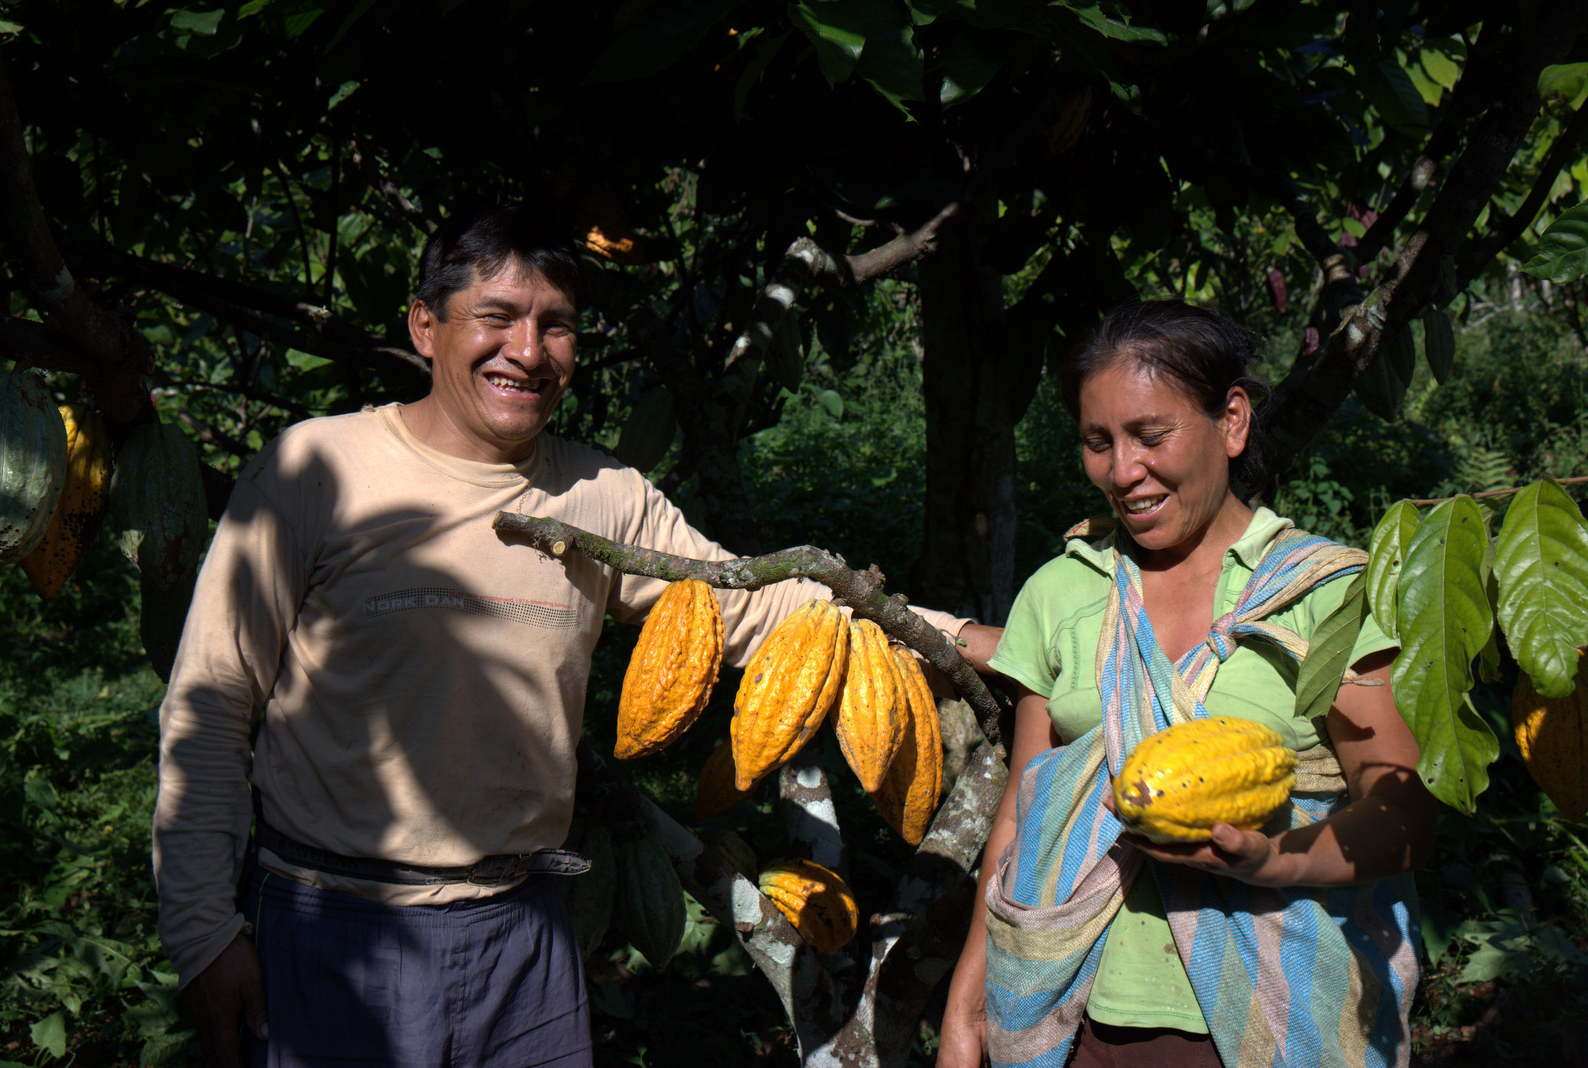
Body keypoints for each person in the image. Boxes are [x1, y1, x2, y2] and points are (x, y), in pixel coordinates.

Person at [151, 200, 999, 1068]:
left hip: (521, 935)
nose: (528, 350)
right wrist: (205, 933)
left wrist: (974, 640)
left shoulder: (600, 497)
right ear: (424, 325)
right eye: (498, 317)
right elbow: (211, 706)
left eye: (556, 325)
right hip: (336, 929)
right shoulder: (313, 471)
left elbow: (765, 605)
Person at [938, 299, 1437, 1068]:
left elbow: (1403, 807)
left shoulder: (1324, 593)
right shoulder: (1064, 592)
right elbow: (1022, 813)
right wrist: (965, 1010)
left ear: (1232, 421)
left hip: (1272, 1023)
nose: (1123, 470)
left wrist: (1281, 859)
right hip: (1072, 1024)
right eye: (1098, 442)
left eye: (1150, 435)